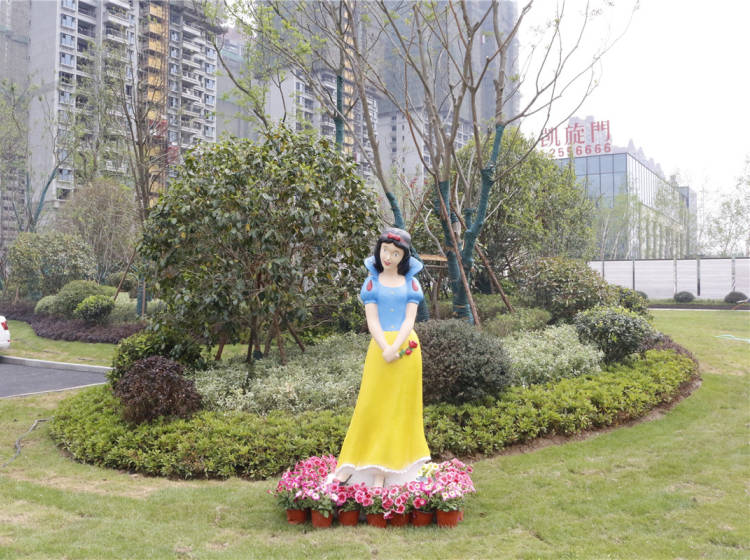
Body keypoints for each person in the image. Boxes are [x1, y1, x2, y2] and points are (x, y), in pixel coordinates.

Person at [333, 227, 431, 487]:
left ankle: (386, 471)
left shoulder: (411, 284)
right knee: (371, 405)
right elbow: (372, 320)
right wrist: (384, 347)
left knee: (400, 409)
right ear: (379, 250)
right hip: (379, 350)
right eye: (385, 251)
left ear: (404, 257)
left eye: (395, 253)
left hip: (406, 351)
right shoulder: (371, 283)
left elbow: (409, 320)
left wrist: (395, 347)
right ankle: (355, 464)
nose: (388, 257)